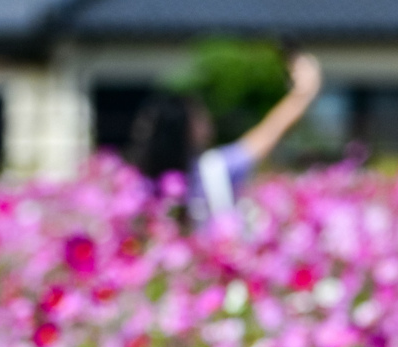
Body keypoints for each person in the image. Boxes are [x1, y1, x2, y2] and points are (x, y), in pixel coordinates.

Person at [130, 53, 323, 223]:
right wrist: (303, 93)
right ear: (187, 130)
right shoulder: (213, 168)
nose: (207, 118)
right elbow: (269, 132)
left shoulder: (143, 185)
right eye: (198, 115)